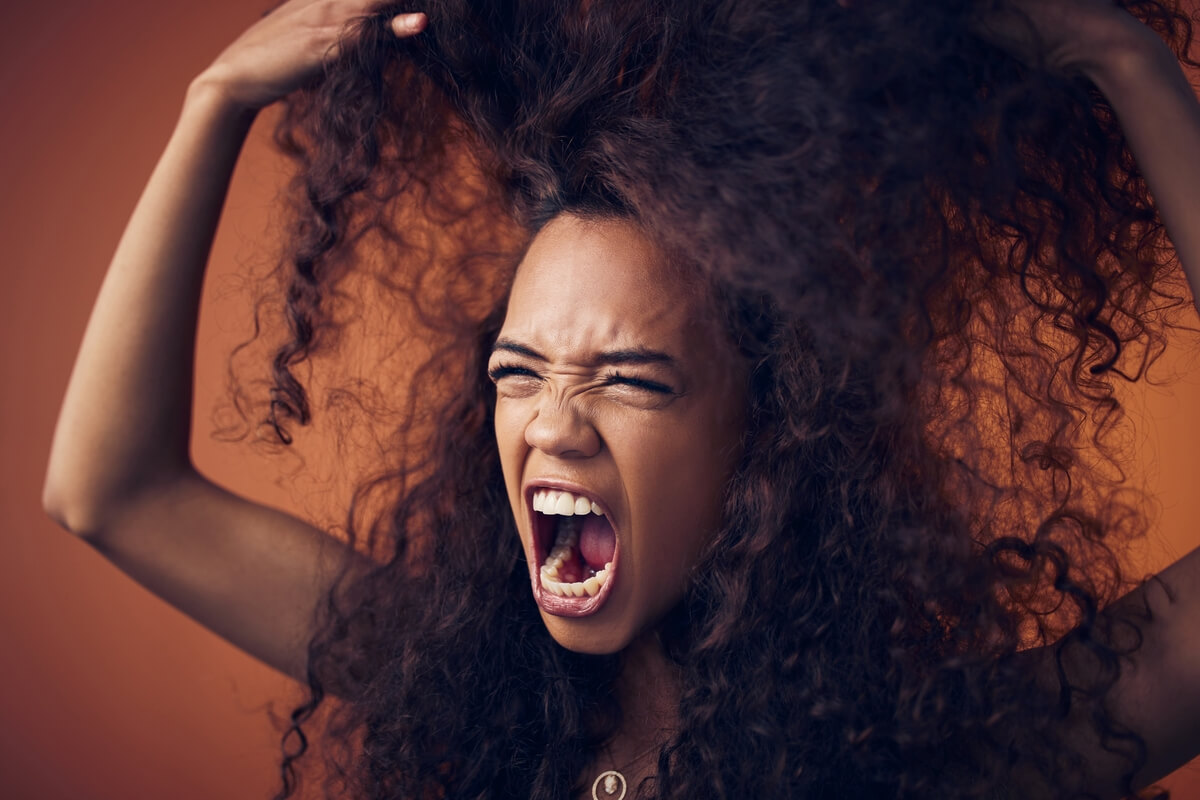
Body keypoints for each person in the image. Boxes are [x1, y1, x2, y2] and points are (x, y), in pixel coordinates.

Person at [41, 0, 1200, 797]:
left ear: (766, 439)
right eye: (519, 370)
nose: (551, 422)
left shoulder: (945, 765)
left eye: (630, 379)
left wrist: (1124, 62)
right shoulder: (461, 682)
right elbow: (112, 490)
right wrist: (216, 99)